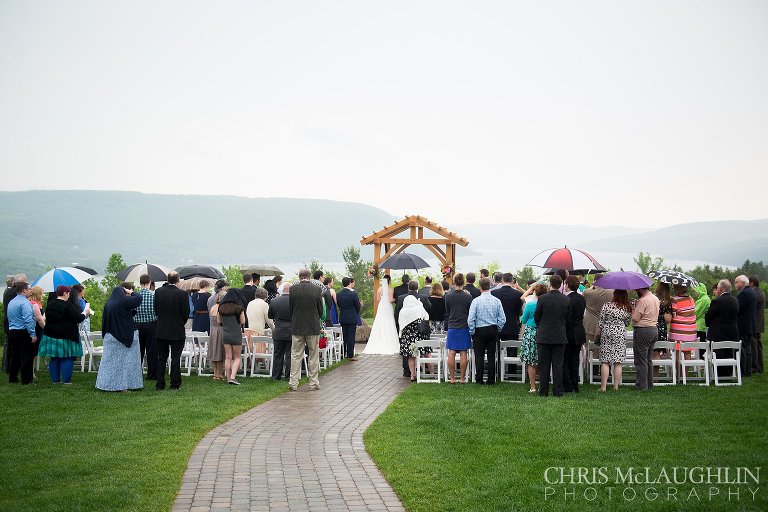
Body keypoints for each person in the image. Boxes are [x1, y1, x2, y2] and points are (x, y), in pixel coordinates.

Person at [96, 283, 144, 391]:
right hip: (122, 337)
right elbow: (139, 298)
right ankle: (123, 385)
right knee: (124, 363)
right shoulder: (123, 302)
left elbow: (119, 316)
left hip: (110, 336)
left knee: (110, 364)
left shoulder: (109, 303)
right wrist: (130, 291)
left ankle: (105, 384)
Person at [38, 285, 85, 384]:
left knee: (54, 357)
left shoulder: (50, 304)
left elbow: (45, 317)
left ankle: (55, 381)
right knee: (67, 357)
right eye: (68, 293)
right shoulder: (67, 305)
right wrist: (85, 312)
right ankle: (66, 381)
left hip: (50, 334)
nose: (69, 295)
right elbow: (78, 318)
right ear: (64, 293)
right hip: (66, 335)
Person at [288, 269, 324, 391]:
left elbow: (291, 308)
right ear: (309, 277)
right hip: (312, 327)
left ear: (299, 277)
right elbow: (320, 310)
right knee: (313, 355)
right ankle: (313, 382)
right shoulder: (317, 289)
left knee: (296, 355)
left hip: (297, 326)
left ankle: (293, 382)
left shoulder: (293, 289)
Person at [534, 275, 570, 397]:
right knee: (558, 365)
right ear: (560, 285)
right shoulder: (566, 299)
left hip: (544, 335)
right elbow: (568, 318)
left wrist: (542, 326)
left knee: (543, 365)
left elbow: (537, 316)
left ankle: (543, 391)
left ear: (550, 283)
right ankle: (558, 391)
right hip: (560, 335)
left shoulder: (542, 298)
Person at [154, 271, 190, 390]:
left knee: (161, 358)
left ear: (168, 279)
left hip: (161, 329)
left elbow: (156, 310)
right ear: (178, 280)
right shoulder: (182, 294)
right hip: (177, 330)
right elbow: (186, 313)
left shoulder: (158, 292)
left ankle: (160, 383)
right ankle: (175, 383)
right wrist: (180, 322)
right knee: (175, 357)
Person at [468, 277, 505, 385]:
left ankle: (479, 379)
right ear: (490, 286)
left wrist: (472, 331)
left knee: (479, 355)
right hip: (492, 329)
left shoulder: (476, 301)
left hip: (479, 330)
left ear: (480, 287)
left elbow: (470, 319)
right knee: (491, 355)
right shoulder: (496, 301)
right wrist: (498, 328)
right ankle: (491, 379)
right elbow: (502, 318)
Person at [395, 280, 431, 377]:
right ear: (417, 287)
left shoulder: (401, 298)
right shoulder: (423, 297)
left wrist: (399, 327)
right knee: (424, 349)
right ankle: (427, 370)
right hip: (421, 329)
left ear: (408, 288)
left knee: (408, 351)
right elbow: (429, 308)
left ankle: (408, 371)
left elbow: (397, 313)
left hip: (406, 330)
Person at [598, 290, 632, 391]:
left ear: (614, 295)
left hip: (607, 332)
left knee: (605, 360)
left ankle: (603, 386)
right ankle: (616, 386)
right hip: (620, 334)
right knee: (618, 361)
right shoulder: (627, 308)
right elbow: (627, 323)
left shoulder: (607, 305)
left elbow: (601, 321)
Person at [705, 279, 739, 378]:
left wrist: (709, 323)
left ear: (721, 289)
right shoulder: (735, 300)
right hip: (732, 332)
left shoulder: (717, 301)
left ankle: (718, 374)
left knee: (718, 353)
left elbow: (709, 316)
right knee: (729, 353)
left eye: (718, 288)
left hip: (718, 333)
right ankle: (728, 374)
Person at [492, 273, 524, 376]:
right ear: (512, 281)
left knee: (496, 350)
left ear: (502, 280)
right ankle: (511, 372)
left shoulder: (494, 293)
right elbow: (519, 312)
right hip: (512, 325)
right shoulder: (518, 294)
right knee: (512, 350)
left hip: (498, 325)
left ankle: (497, 371)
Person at [6, 282, 38, 384]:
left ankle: (13, 377)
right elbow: (28, 319)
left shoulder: (12, 302)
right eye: (29, 289)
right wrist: (32, 334)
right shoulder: (25, 303)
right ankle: (26, 380)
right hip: (23, 332)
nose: (30, 291)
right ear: (24, 290)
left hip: (12, 331)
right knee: (26, 356)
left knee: (15, 355)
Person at [444, 273, 473, 384]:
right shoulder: (468, 297)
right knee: (463, 352)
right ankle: (462, 378)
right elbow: (470, 311)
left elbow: (447, 310)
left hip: (452, 326)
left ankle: (452, 378)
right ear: (463, 282)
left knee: (451, 352)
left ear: (454, 282)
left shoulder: (448, 296)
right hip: (464, 326)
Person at [632, 285, 661, 390]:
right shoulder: (655, 298)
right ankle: (649, 383)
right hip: (653, 329)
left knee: (640, 359)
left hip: (643, 330)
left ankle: (641, 385)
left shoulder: (643, 300)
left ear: (640, 289)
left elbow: (635, 318)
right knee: (648, 359)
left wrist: (633, 308)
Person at [520, 283, 547, 393]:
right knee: (541, 359)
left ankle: (532, 387)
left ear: (535, 292)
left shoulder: (530, 304)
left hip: (531, 331)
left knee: (531, 361)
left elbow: (524, 320)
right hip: (543, 332)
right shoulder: (546, 304)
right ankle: (542, 385)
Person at [363, 276, 400, 355]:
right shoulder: (391, 290)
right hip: (388, 307)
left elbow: (378, 299)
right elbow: (391, 300)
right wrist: (396, 299)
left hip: (382, 307)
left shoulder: (379, 289)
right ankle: (390, 343)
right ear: (389, 281)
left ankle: (378, 341)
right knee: (389, 322)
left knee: (380, 321)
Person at [218, 289, 246, 385]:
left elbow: (219, 321)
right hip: (236, 334)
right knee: (237, 357)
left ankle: (228, 378)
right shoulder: (239, 308)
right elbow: (243, 321)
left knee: (228, 357)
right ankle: (233, 377)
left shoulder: (221, 308)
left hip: (225, 334)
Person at [563, 275, 586, 393]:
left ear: (567, 285)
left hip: (568, 332)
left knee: (565, 359)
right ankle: (574, 385)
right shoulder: (582, 299)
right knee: (575, 360)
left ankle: (568, 385)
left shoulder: (566, 299)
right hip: (579, 331)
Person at [134, 274, 158, 379]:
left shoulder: (135, 296)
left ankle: (136, 374)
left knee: (138, 351)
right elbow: (157, 311)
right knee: (152, 351)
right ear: (150, 283)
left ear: (140, 283)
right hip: (151, 325)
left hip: (137, 325)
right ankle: (152, 374)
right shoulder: (153, 296)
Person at [268, 282, 292, 380]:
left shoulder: (274, 301)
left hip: (278, 330)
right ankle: (288, 376)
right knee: (289, 355)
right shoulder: (294, 301)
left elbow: (270, 315)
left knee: (278, 354)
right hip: (291, 330)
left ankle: (276, 375)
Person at [3, 274, 27, 373]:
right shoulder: (15, 293)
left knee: (10, 347)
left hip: (9, 322)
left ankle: (8, 367)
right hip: (16, 324)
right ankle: (12, 368)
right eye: (25, 282)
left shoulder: (8, 291)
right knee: (14, 349)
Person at [734, 275, 756, 377]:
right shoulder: (752, 292)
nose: (735, 284)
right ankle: (748, 370)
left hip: (743, 325)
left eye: (736, 282)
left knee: (742, 349)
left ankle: (743, 370)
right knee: (748, 349)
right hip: (750, 325)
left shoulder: (744, 294)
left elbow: (738, 309)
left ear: (742, 283)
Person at [336, 277, 361, 360]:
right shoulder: (353, 294)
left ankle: (343, 353)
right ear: (349, 283)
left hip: (343, 317)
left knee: (344, 336)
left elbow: (339, 305)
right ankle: (350, 355)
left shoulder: (338, 294)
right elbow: (357, 306)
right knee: (351, 336)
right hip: (352, 317)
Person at [652, 282, 673, 377]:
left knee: (649, 353)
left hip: (650, 326)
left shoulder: (652, 298)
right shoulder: (666, 302)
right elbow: (667, 319)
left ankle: (647, 376)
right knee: (657, 354)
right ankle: (655, 378)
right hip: (660, 329)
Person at [208, 290, 227, 380]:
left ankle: (215, 373)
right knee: (219, 352)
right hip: (220, 330)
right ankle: (219, 373)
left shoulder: (213, 307)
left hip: (213, 330)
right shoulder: (221, 308)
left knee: (214, 352)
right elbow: (221, 321)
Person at [748, 275, 764, 374]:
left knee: (753, 346)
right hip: (759, 323)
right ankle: (760, 367)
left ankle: (754, 367)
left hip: (754, 323)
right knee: (758, 346)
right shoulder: (761, 292)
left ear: (752, 283)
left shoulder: (754, 293)